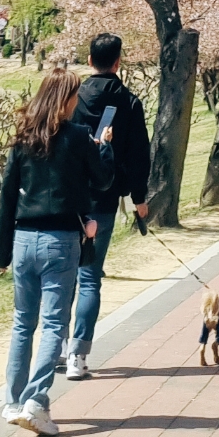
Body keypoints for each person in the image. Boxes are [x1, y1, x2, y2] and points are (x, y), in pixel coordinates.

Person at [0, 68, 109, 436]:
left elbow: (7, 197)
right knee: (54, 325)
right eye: (74, 96)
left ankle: (13, 401)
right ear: (64, 101)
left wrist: (2, 253)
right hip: (60, 241)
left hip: (24, 238)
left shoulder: (23, 138)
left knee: (22, 324)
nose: (77, 103)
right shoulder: (77, 137)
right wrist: (102, 146)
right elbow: (102, 179)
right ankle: (35, 402)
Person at [65, 34, 152, 381]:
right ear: (118, 62)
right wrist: (139, 197)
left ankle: (55, 347)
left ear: (89, 60)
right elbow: (138, 156)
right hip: (103, 200)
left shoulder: (73, 98)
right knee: (90, 277)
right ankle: (78, 356)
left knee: (65, 275)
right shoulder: (129, 102)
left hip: (68, 199)